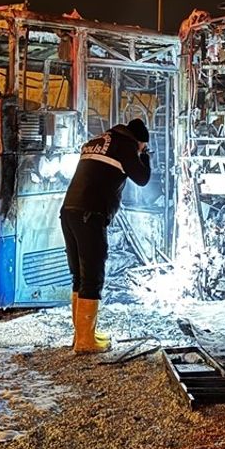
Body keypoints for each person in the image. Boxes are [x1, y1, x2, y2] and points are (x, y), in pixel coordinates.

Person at [60, 117, 151, 354]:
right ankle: (85, 342)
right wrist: (145, 156)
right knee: (92, 275)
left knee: (79, 275)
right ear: (139, 141)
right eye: (142, 145)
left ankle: (82, 334)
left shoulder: (99, 140)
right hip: (90, 214)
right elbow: (142, 179)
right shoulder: (126, 146)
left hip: (69, 211)